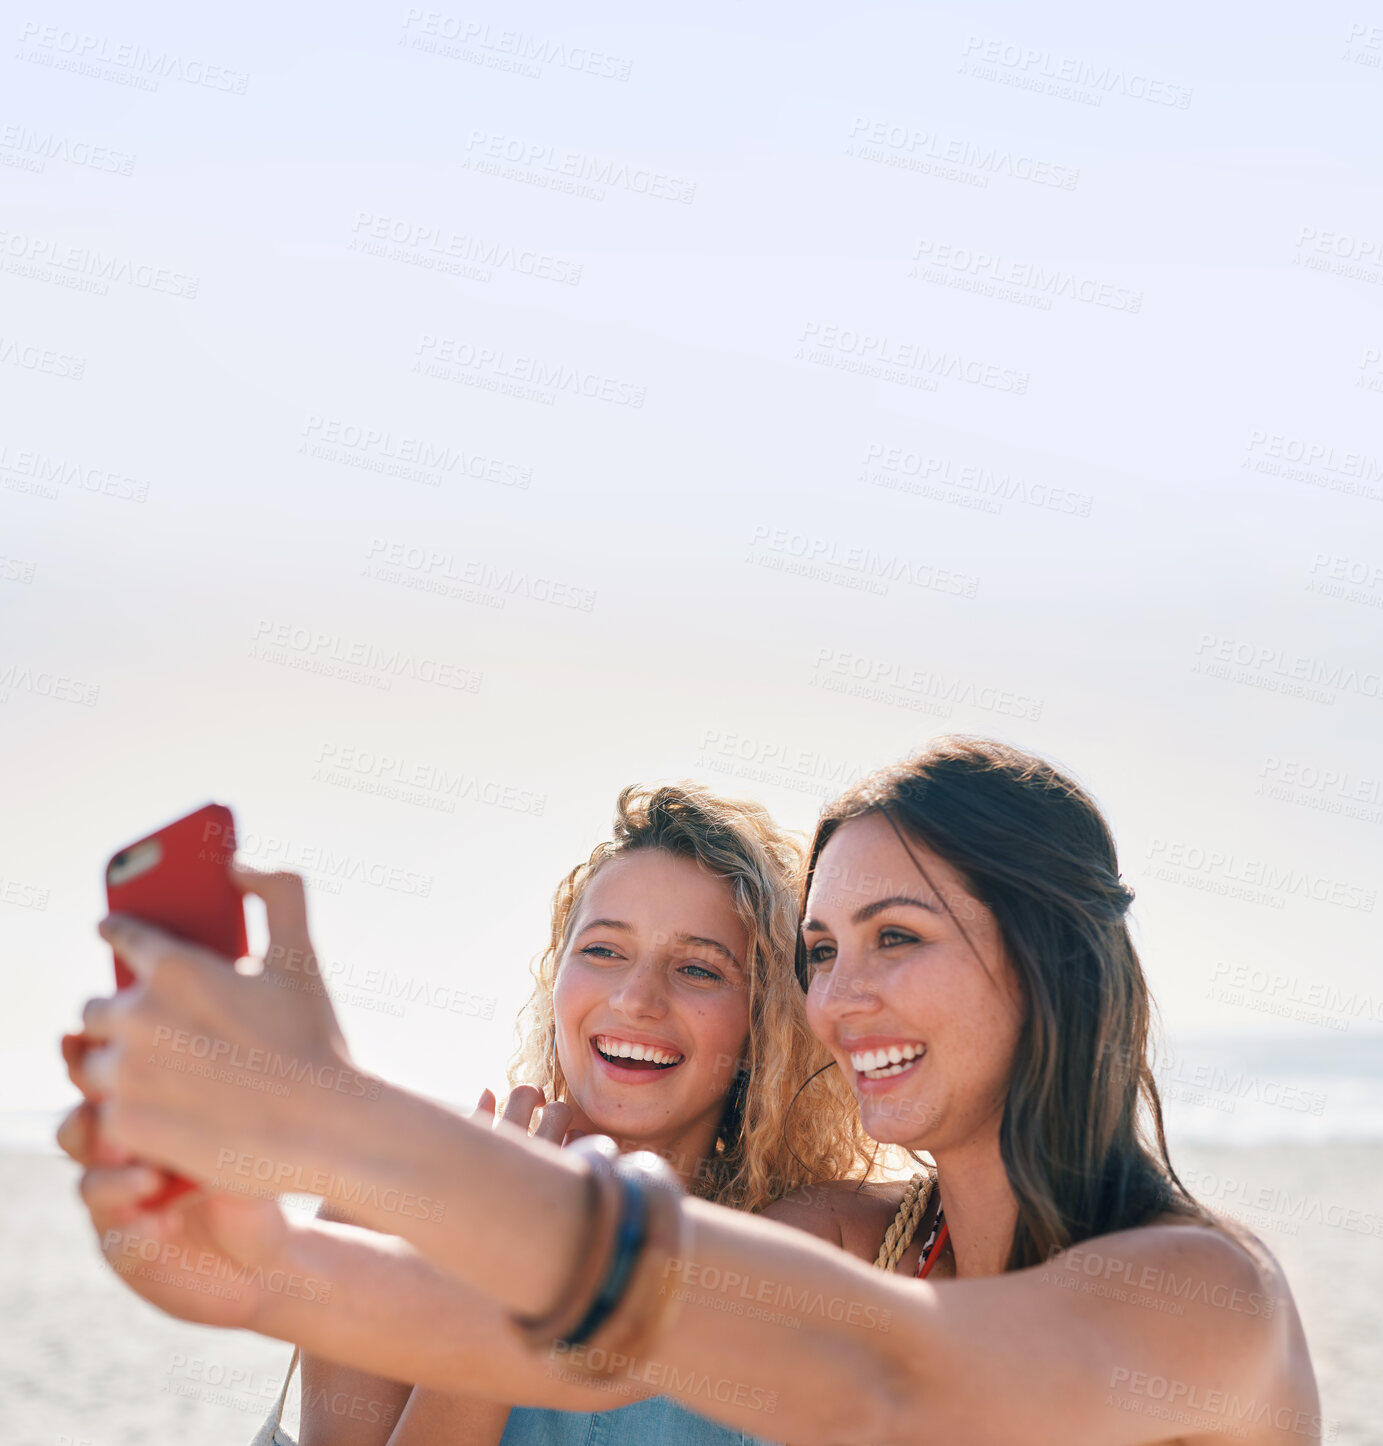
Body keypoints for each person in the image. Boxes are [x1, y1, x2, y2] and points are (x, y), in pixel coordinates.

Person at [69, 737, 1321, 1445]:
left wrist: (342, 1118)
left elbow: (892, 1384)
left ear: (1047, 955)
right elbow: (604, 1350)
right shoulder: (855, 1236)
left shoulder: (1206, 1297)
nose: (841, 1000)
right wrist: (257, 1264)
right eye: (821, 953)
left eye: (898, 937)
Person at [60, 782, 882, 1445]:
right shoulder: (378, 1222)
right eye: (602, 951)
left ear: (764, 1017)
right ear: (556, 982)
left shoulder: (822, 1237)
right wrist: (493, 1276)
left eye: (698, 969)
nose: (635, 999)